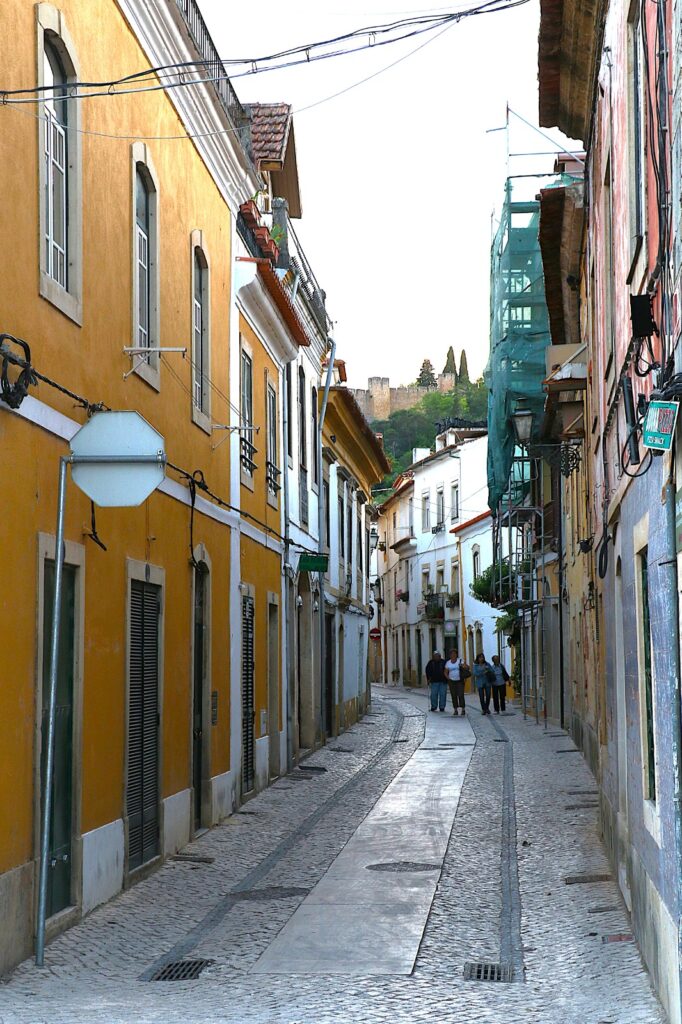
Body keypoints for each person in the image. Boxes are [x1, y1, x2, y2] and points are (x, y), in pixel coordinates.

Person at [444, 649, 468, 716]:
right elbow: (445, 672)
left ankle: (463, 709)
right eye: (452, 654)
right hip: (452, 681)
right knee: (453, 695)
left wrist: (464, 666)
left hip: (460, 681)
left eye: (454, 653)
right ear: (450, 655)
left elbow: (466, 667)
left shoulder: (460, 661)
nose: (453, 655)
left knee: (460, 695)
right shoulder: (448, 663)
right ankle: (455, 709)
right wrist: (448, 679)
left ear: (456, 654)